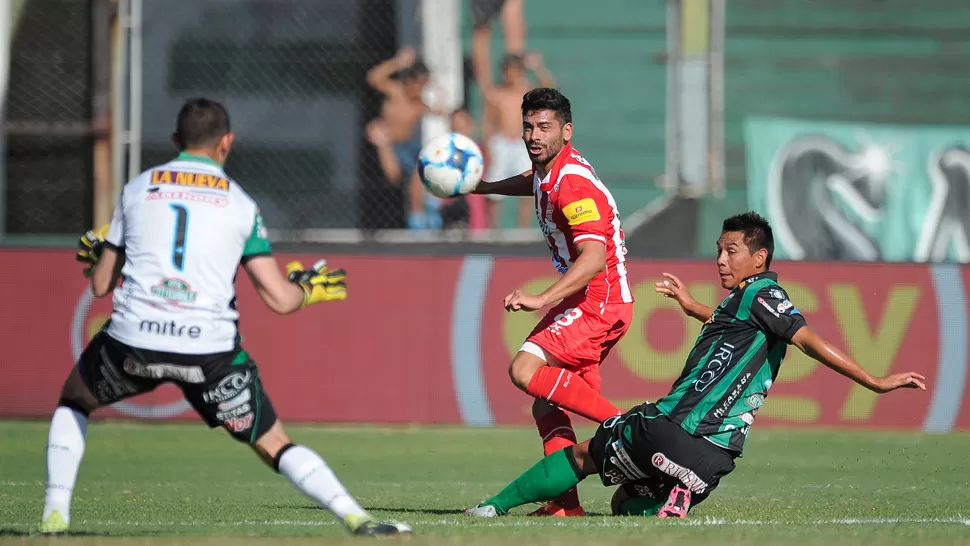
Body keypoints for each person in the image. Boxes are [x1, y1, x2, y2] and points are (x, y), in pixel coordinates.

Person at [37, 98, 411, 537]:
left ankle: (54, 517)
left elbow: (101, 285)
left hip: (134, 339)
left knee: (75, 400)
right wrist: (308, 287)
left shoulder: (139, 188)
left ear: (176, 141)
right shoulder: (240, 204)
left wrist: (100, 257)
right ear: (226, 143)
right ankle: (357, 519)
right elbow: (279, 298)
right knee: (275, 443)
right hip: (208, 352)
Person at [466, 212, 927, 519]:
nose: (721, 259)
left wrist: (874, 381)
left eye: (731, 251)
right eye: (719, 250)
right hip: (713, 461)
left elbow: (808, 341)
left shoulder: (762, 294)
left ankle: (491, 508)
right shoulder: (746, 305)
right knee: (624, 501)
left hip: (671, 429)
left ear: (759, 258)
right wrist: (694, 308)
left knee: (584, 456)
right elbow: (741, 328)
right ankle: (676, 497)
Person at [468, 88, 634, 517]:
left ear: (567, 131)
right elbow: (533, 183)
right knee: (547, 403)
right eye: (528, 127)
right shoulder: (550, 171)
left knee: (524, 370)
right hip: (592, 299)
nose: (533, 136)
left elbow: (594, 259)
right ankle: (565, 505)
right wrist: (482, 186)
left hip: (598, 300)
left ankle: (632, 431)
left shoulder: (573, 185)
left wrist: (541, 297)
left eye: (544, 127)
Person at [478, 52, 556, 229]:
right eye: (508, 71)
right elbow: (487, 122)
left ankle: (522, 230)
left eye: (515, 71)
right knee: (494, 188)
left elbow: (549, 89)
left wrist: (537, 68)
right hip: (501, 143)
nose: (511, 75)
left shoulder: (527, 92)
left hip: (523, 144)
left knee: (528, 186)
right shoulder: (495, 93)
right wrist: (488, 147)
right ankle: (493, 229)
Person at [365, 47, 440, 230]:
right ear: (409, 81)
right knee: (394, 176)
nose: (421, 89)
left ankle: (419, 216)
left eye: (425, 85)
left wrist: (439, 94)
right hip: (390, 143)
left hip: (409, 146)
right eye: (419, 84)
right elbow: (373, 78)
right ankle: (421, 208)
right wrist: (397, 62)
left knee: (420, 170)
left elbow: (440, 111)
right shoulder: (396, 91)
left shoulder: (420, 103)